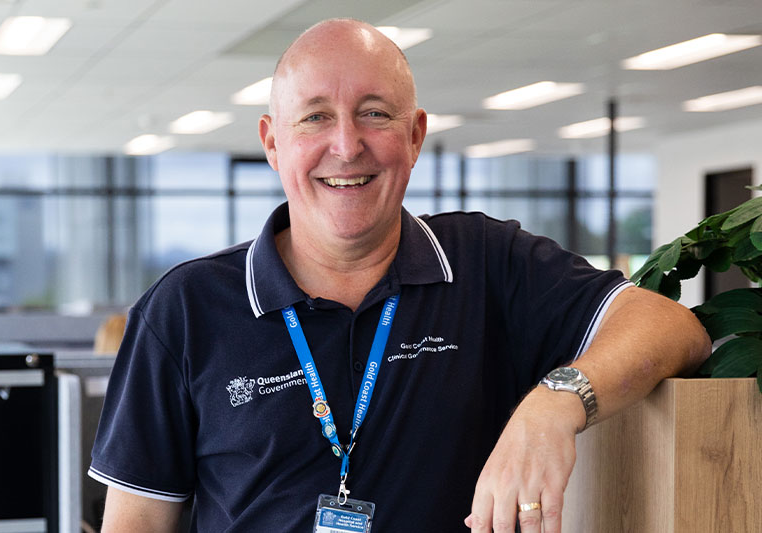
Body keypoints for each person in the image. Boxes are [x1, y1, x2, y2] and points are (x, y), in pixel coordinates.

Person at [89, 18, 711, 533]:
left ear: (414, 137)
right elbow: (136, 523)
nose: (346, 145)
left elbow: (671, 326)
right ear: (273, 143)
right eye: (314, 117)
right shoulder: (185, 309)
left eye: (374, 113)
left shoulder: (486, 262)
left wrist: (556, 403)